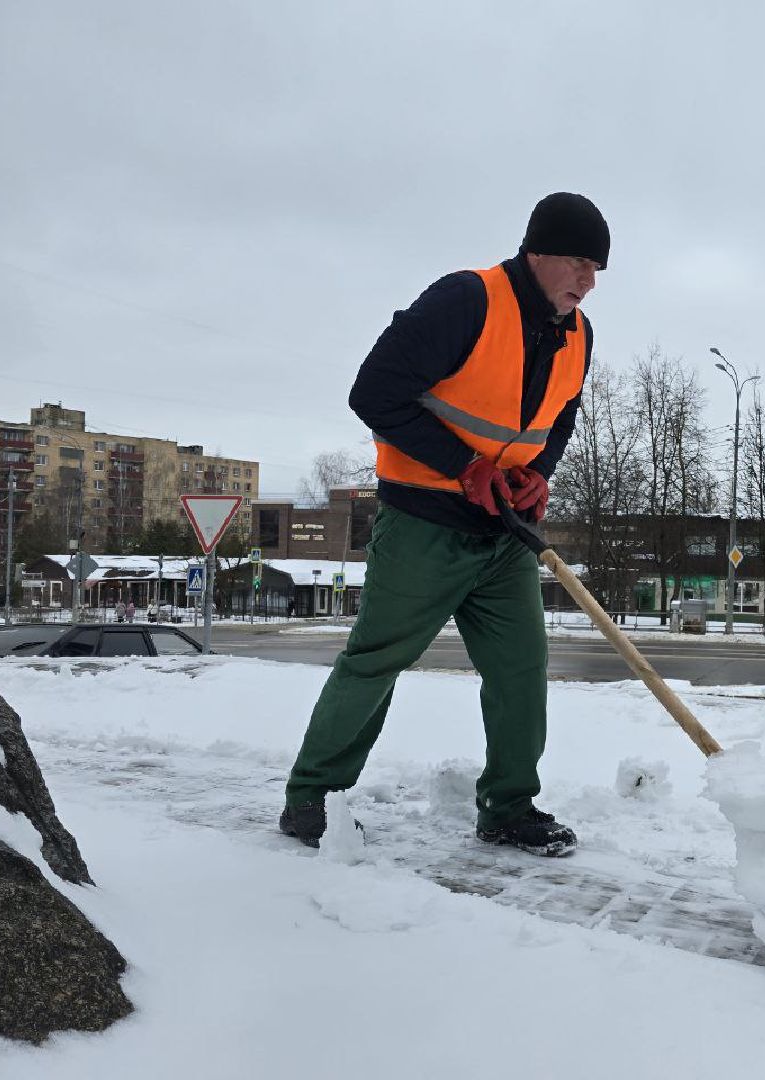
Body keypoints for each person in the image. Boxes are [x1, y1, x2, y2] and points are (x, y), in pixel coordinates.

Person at [279, 192, 607, 857]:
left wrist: (538, 469)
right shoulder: (468, 300)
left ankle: (509, 808)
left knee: (522, 669)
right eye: (577, 261)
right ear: (537, 253)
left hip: (502, 532)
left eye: (597, 269)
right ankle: (312, 800)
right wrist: (464, 466)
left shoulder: (579, 335)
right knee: (376, 661)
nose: (588, 280)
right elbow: (373, 392)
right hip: (424, 524)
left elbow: (562, 411)